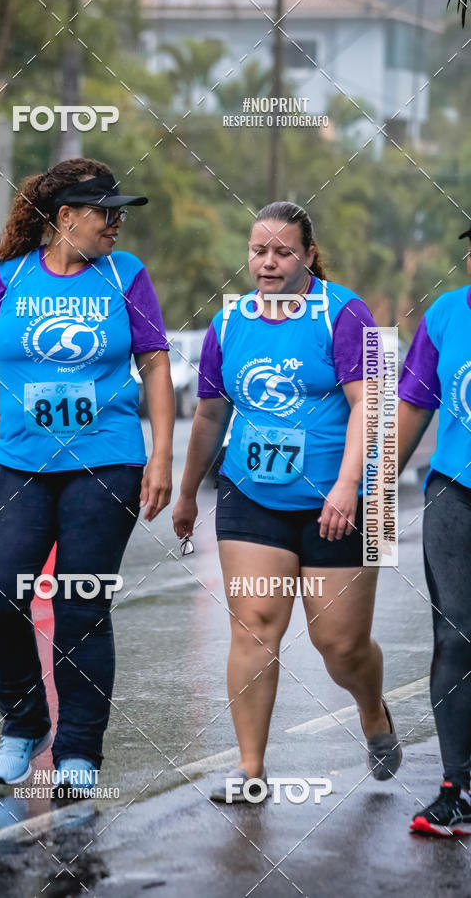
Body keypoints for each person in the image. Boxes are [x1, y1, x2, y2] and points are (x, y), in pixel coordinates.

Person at [0, 158, 174, 788]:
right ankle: (24, 723)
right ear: (67, 217)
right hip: (21, 461)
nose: (117, 225)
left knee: (81, 602)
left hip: (106, 462)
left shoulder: (126, 275)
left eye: (120, 214)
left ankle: (78, 750)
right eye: (107, 213)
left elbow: (156, 365)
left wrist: (160, 456)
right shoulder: (8, 276)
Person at [172, 201, 402, 802]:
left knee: (339, 645)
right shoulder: (230, 323)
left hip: (341, 499)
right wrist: (187, 491)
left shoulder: (345, 314)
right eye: (258, 251)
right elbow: (209, 416)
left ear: (307, 255)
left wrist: (350, 486)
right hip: (252, 495)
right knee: (253, 629)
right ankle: (251, 772)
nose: (267, 263)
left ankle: (373, 710)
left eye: (282, 252)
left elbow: (368, 407)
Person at [399, 224, 471, 836]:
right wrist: (372, 489)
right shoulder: (447, 313)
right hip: (455, 491)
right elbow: (413, 406)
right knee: (456, 635)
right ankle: (456, 787)